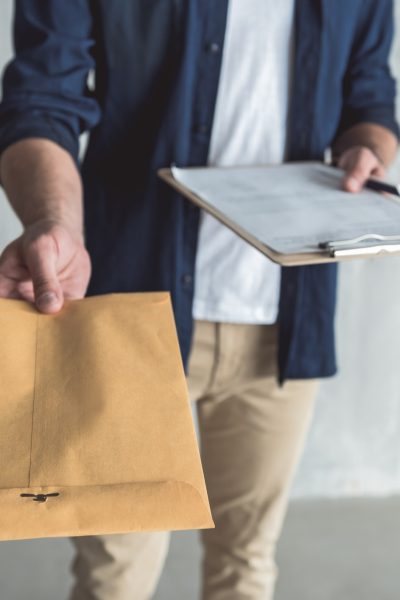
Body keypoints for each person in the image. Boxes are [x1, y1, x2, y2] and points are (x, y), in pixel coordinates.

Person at [0, 1, 398, 599]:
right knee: (115, 576)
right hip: (130, 310)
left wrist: (368, 147)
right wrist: (56, 221)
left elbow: (369, 95)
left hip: (282, 320)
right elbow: (40, 100)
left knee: (247, 563)